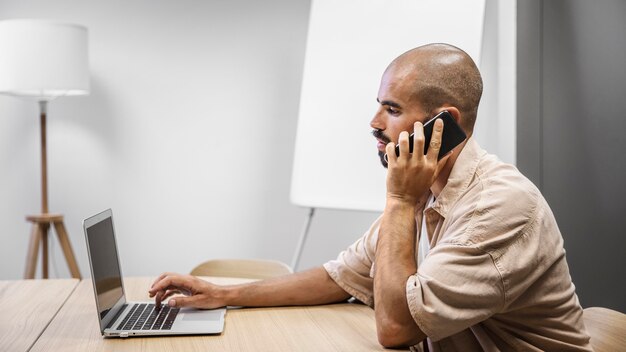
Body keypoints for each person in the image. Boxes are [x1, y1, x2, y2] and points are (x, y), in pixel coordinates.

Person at [149, 43, 592, 351]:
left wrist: (400, 202)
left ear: (444, 123)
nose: (374, 122)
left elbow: (397, 328)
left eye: (393, 109)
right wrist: (224, 293)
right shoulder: (429, 189)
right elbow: (341, 277)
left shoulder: (497, 206)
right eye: (380, 104)